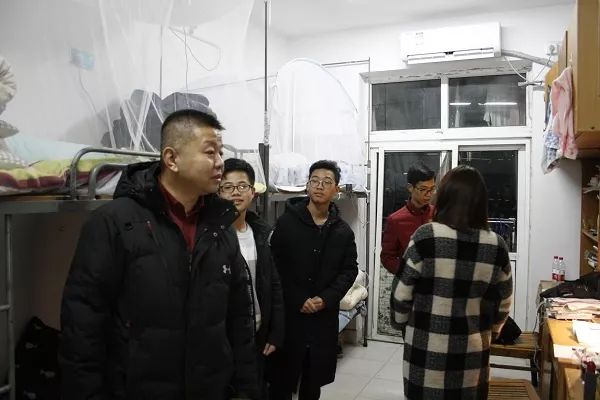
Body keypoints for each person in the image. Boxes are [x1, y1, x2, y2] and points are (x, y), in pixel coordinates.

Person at [60, 109, 258, 400]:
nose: (220, 162)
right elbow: (83, 324)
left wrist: (246, 390)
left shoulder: (220, 226)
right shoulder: (114, 223)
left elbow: (239, 317)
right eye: (209, 152)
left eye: (220, 152)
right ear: (172, 159)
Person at [390, 165, 513, 399]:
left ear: (444, 197)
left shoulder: (426, 236)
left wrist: (403, 325)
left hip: (426, 350)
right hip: (472, 354)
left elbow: (401, 295)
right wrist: (492, 331)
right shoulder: (496, 245)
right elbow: (503, 303)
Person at [268, 160, 358, 400]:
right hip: (290, 315)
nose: (319, 186)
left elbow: (349, 270)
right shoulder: (287, 224)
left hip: (322, 318)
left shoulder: (342, 231)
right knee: (281, 381)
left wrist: (325, 299)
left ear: (336, 190)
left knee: (312, 383)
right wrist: (299, 298)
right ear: (307, 186)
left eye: (327, 182)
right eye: (314, 181)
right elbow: (275, 267)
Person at [218, 157, 285, 398]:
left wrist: (276, 331)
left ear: (252, 193)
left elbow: (273, 285)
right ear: (218, 193)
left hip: (258, 332)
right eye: (228, 186)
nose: (236, 192)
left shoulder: (261, 234)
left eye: (242, 186)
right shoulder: (213, 237)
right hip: (226, 337)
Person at [380, 163, 436, 274]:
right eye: (423, 189)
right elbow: (387, 257)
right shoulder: (395, 220)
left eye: (432, 189)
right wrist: (406, 273)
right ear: (410, 187)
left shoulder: (438, 214)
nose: (429, 194)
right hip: (410, 281)